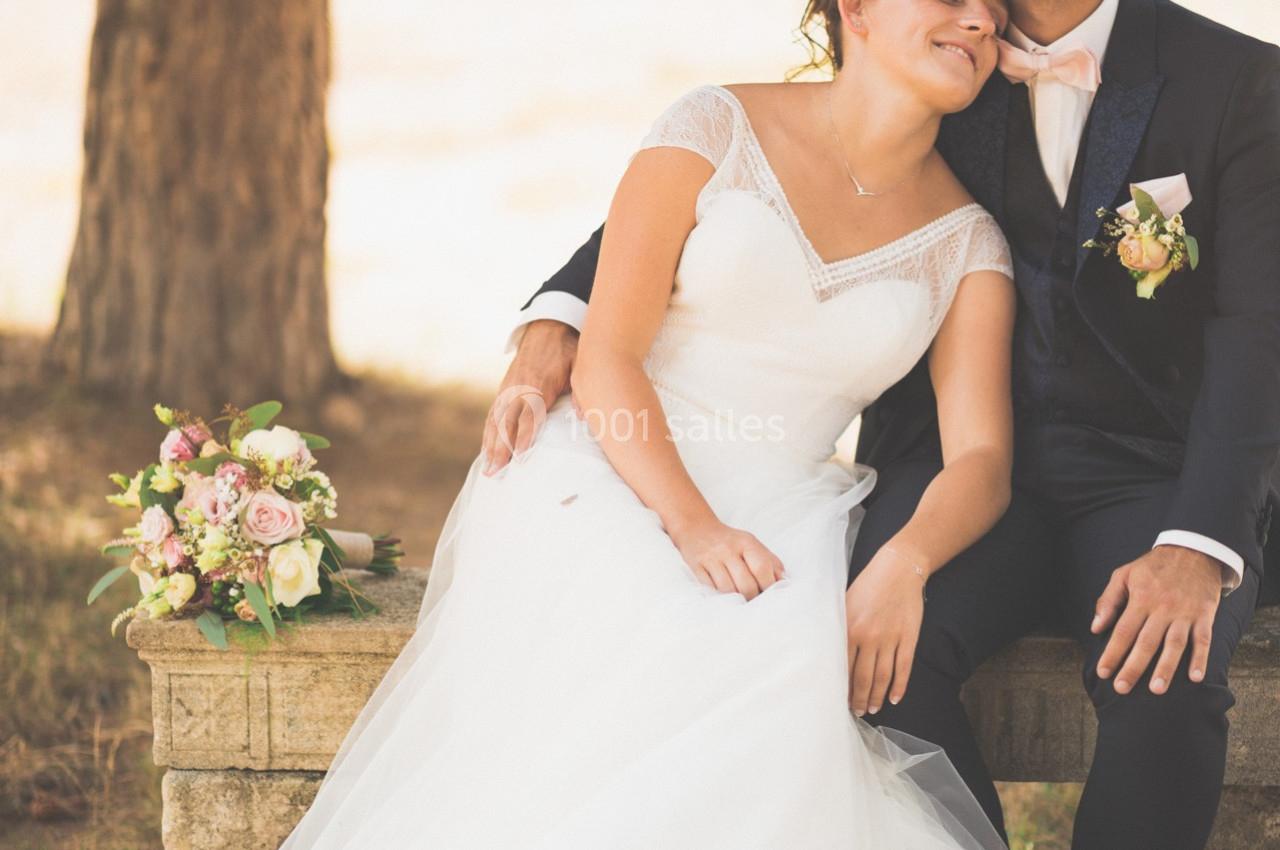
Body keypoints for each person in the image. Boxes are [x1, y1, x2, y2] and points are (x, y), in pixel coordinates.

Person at [499, 1, 1280, 848]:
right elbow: (751, 165)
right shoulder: (948, 50)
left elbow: (1260, 332)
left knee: (1164, 673)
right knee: (878, 664)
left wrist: (1200, 543)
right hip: (948, 458)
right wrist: (562, 319)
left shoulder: (1238, 83)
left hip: (1154, 468)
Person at [279, 0, 1020, 847]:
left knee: (770, 686)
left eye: (994, 14)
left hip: (790, 512)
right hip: (609, 463)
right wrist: (694, 526)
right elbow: (608, 358)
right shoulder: (711, 128)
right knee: (653, 643)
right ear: (856, 6)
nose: (980, 20)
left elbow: (982, 457)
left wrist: (906, 561)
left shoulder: (969, 245)